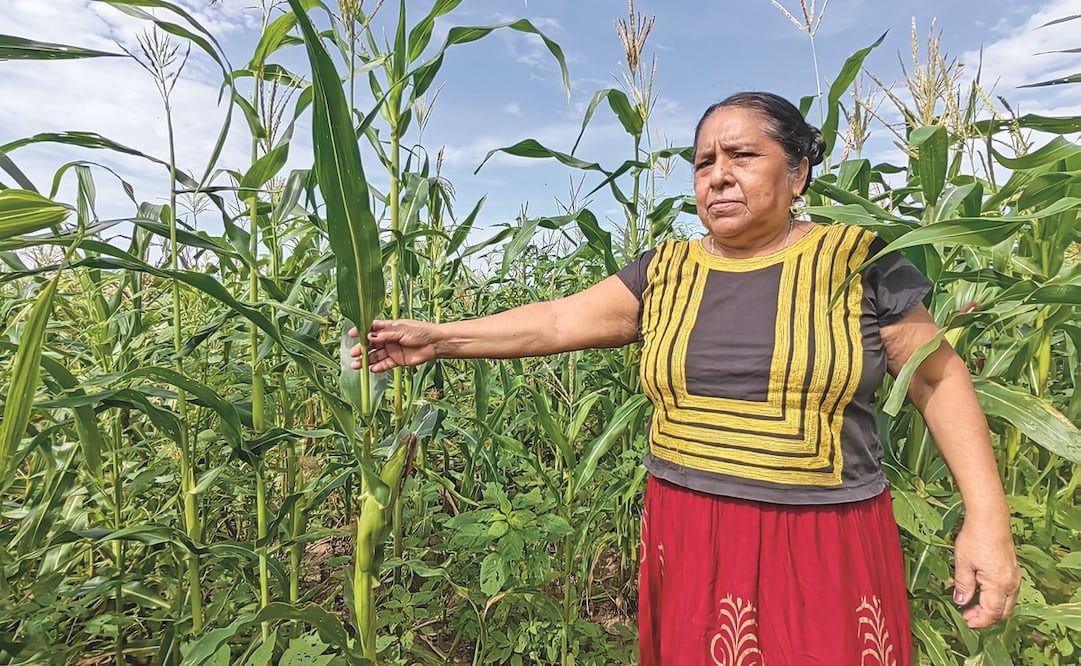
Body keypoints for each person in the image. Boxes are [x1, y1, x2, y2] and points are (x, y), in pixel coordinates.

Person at [348, 91, 1020, 665]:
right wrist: (438, 338)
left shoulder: (857, 258)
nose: (717, 176)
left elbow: (937, 381)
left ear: (798, 172)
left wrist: (986, 521)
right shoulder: (665, 268)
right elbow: (554, 322)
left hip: (822, 537)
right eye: (704, 162)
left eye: (742, 156)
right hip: (690, 528)